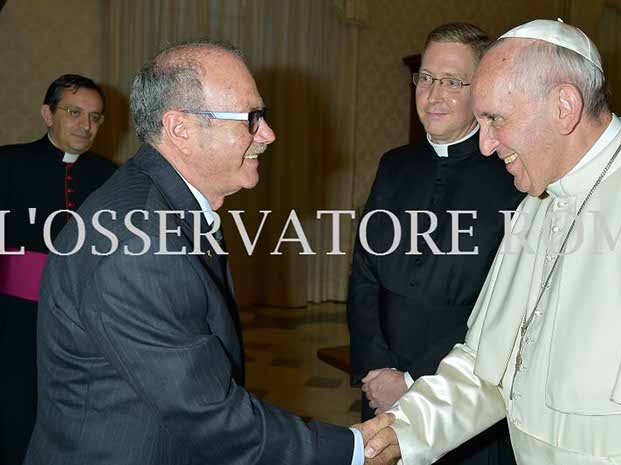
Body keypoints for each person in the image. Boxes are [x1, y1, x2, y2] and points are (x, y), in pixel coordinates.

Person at [23, 40, 391, 465]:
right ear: (180, 128)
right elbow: (210, 416)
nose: (268, 134)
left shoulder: (162, 201)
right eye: (251, 118)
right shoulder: (139, 243)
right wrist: (353, 450)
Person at [362, 19, 621, 465]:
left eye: (495, 119)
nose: (485, 145)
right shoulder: (537, 204)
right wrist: (405, 431)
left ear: (564, 106)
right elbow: (491, 367)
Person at [347, 22, 522, 465]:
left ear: (481, 90)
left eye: (452, 82)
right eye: (425, 78)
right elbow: (364, 272)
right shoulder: (394, 165)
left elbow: (502, 306)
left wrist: (413, 382)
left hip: (461, 397)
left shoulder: (514, 179)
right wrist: (376, 367)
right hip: (381, 384)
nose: (433, 95)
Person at [0, 74, 116, 465]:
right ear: (48, 115)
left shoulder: (109, 175)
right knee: (17, 412)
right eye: (74, 113)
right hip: (15, 320)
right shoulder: (8, 163)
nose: (86, 125)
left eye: (95, 117)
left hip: (84, 321)